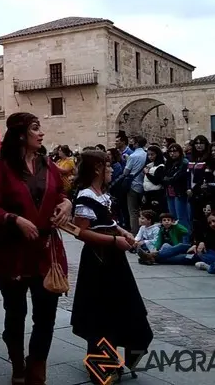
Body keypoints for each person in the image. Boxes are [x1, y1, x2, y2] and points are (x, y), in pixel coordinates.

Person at [0, 112, 73, 385]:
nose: (40, 133)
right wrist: (13, 219)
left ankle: (37, 369)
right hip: (13, 252)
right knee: (15, 313)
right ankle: (18, 364)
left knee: (46, 316)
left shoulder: (48, 164)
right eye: (35, 128)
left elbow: (60, 194)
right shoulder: (1, 167)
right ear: (20, 134)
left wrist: (67, 204)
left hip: (45, 251)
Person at [70, 149, 152, 383]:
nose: (110, 170)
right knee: (100, 313)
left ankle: (117, 356)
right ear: (97, 168)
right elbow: (81, 232)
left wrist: (124, 233)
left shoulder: (101, 194)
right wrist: (115, 241)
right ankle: (100, 364)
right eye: (106, 167)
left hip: (114, 260)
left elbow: (109, 223)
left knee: (123, 308)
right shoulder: (85, 196)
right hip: (98, 260)